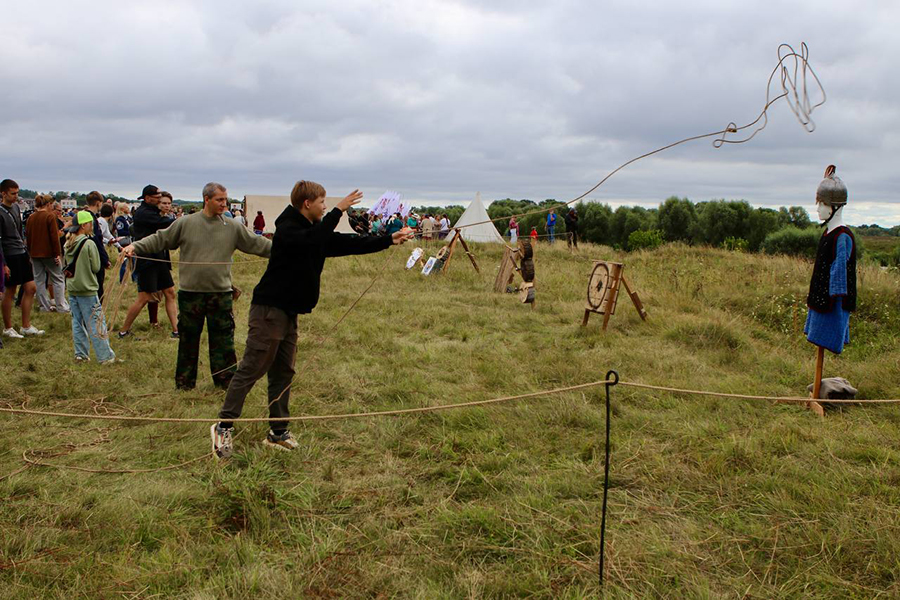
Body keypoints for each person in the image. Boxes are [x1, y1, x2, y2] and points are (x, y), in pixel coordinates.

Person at [210, 181, 413, 458]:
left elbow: (346, 243)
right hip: (269, 310)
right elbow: (313, 240)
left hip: (288, 311)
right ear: (307, 204)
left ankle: (278, 432)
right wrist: (339, 211)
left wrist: (388, 240)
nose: (326, 207)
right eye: (323, 203)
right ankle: (223, 426)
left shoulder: (311, 232)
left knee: (283, 372)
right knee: (252, 368)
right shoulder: (289, 231)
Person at [124, 182, 271, 390]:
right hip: (190, 295)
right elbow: (160, 239)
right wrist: (134, 247)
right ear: (207, 199)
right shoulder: (186, 223)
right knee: (188, 342)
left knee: (223, 343)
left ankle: (226, 383)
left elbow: (259, 245)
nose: (224, 204)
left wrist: (288, 250)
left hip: (220, 295)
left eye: (225, 199)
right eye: (219, 200)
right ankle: (184, 384)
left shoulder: (233, 227)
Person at [117, 185, 179, 338]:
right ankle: (124, 331)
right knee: (144, 297)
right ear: (147, 198)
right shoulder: (144, 213)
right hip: (147, 259)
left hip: (159, 258)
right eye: (157, 196)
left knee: (170, 293)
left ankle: (177, 330)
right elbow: (166, 224)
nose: (159, 198)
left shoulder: (152, 210)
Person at [64, 211, 116, 363]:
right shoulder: (88, 243)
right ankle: (105, 356)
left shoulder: (68, 243)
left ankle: (80, 354)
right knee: (96, 321)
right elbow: (96, 266)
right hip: (87, 287)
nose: (91, 226)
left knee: (77, 321)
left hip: (73, 287)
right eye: (90, 224)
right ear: (84, 225)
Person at [0, 179, 43, 338]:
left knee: (31, 287)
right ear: (3, 193)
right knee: (10, 290)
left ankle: (26, 325)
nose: (16, 197)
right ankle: (8, 327)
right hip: (9, 254)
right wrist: (3, 263)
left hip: (21, 252)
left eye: (17, 193)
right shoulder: (0, 211)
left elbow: (20, 232)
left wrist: (26, 252)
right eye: (13, 193)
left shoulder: (16, 207)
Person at [25, 193, 68, 313]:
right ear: (48, 204)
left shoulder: (31, 218)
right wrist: (57, 254)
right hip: (49, 253)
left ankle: (44, 306)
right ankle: (61, 306)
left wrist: (30, 252)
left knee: (39, 280)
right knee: (58, 278)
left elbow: (27, 236)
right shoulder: (49, 217)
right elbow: (54, 238)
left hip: (34, 253)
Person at [83, 192, 111, 300]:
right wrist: (105, 259)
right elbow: (97, 241)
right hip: (94, 256)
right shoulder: (91, 219)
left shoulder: (84, 216)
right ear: (98, 203)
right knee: (98, 287)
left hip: (86, 255)